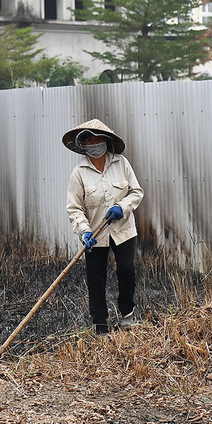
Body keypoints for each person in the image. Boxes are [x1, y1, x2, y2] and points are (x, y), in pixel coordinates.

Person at [63, 118, 143, 334]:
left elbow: (136, 192)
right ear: (83, 145)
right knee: (96, 279)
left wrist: (122, 207)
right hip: (95, 235)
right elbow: (74, 208)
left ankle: (127, 314)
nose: (94, 143)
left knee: (126, 270)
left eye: (98, 138)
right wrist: (84, 230)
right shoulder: (79, 172)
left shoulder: (121, 163)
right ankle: (100, 325)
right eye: (89, 139)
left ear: (107, 141)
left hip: (123, 230)